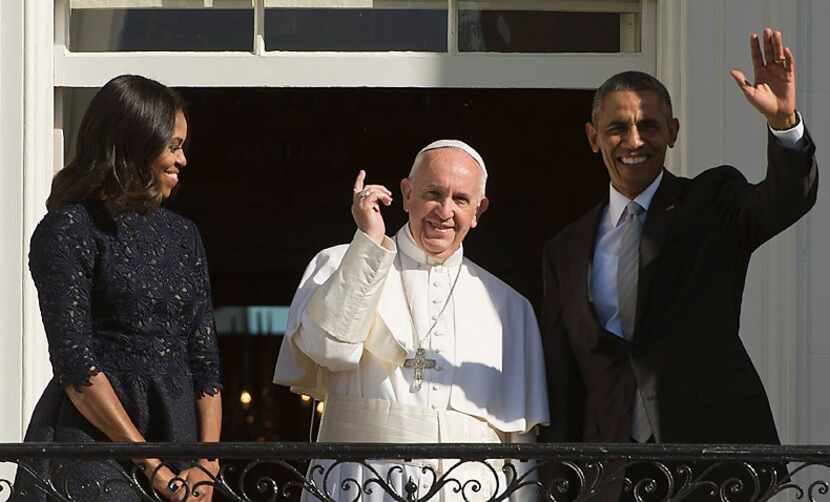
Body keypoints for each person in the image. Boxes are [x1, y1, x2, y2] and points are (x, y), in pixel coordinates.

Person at [540, 25, 816, 490]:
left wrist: (784, 123)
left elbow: (787, 198)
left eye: (648, 125)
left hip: (711, 467)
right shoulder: (564, 249)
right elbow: (562, 374)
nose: (634, 140)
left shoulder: (712, 202)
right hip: (607, 474)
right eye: (617, 128)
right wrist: (556, 480)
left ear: (673, 131)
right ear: (593, 137)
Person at [273, 140, 549, 501]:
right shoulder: (339, 263)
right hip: (359, 484)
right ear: (406, 194)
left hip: (470, 491)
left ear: (479, 209)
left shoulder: (510, 307)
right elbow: (329, 349)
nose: (445, 211)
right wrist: (369, 242)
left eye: (461, 200)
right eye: (433, 193)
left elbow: (521, 448)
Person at [13, 75, 223, 502]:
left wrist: (208, 462)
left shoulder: (184, 236)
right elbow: (75, 364)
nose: (183, 159)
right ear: (135, 141)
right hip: (92, 444)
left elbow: (205, 357)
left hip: (179, 441)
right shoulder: (69, 229)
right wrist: (149, 463)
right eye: (174, 145)